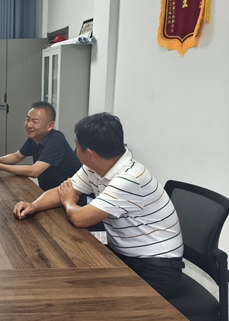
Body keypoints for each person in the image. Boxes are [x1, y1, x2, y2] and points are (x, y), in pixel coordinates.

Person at [13, 113, 184, 298]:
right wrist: (34, 206)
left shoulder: (130, 179)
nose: (75, 151)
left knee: (88, 297)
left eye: (76, 146)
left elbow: (80, 218)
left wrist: (69, 202)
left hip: (156, 269)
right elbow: (61, 191)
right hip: (124, 255)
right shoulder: (94, 167)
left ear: (89, 154)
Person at [0, 101, 81, 191]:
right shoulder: (35, 137)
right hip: (48, 192)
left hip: (70, 197)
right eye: (28, 120)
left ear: (50, 125)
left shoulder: (56, 140)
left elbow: (34, 171)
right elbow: (17, 156)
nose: (29, 125)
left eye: (35, 121)